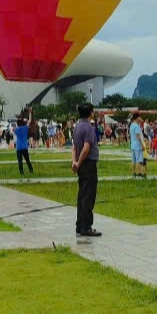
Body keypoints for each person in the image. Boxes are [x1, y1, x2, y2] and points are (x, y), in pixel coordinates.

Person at [71, 102, 100, 238]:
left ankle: (79, 224)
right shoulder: (88, 127)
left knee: (81, 195)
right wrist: (80, 161)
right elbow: (86, 148)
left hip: (80, 165)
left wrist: (75, 162)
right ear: (91, 113)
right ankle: (86, 226)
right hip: (88, 164)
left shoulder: (77, 127)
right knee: (88, 196)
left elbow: (74, 147)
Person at [15, 112, 34, 176]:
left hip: (18, 147)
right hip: (24, 147)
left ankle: (21, 172)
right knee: (27, 160)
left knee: (20, 161)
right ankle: (31, 170)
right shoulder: (25, 128)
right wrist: (30, 113)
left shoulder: (16, 129)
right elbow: (30, 121)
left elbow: (16, 126)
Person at [129, 113, 147, 178]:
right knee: (139, 160)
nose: (140, 118)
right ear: (137, 118)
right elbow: (138, 136)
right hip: (137, 145)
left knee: (133, 160)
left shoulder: (131, 125)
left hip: (133, 145)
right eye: (140, 117)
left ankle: (133, 173)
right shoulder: (136, 126)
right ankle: (139, 172)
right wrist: (142, 144)